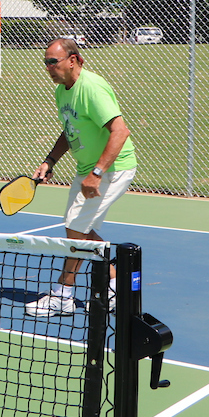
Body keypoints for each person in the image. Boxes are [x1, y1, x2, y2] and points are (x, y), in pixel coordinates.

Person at [26, 38, 136, 317]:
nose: (48, 68)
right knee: (79, 229)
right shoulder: (62, 91)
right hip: (87, 168)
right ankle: (116, 282)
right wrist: (50, 160)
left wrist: (97, 173)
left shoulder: (92, 88)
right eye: (46, 63)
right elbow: (70, 129)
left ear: (73, 60)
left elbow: (120, 131)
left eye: (54, 62)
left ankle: (63, 293)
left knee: (76, 227)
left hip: (112, 168)